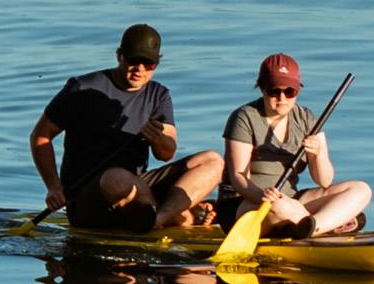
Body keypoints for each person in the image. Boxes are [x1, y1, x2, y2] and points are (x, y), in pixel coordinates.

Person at [31, 24, 232, 232]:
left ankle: (159, 219)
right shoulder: (81, 88)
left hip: (137, 186)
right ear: (119, 55)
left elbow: (166, 154)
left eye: (149, 64)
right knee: (117, 177)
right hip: (88, 196)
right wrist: (53, 187)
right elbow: (41, 135)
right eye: (133, 61)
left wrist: (157, 138)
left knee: (213, 161)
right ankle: (180, 215)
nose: (140, 69)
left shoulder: (158, 95)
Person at [222, 51, 373, 239]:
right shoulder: (244, 117)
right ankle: (327, 223)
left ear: (297, 90)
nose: (282, 98)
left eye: (289, 91)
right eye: (274, 91)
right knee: (282, 206)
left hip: (291, 201)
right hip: (248, 203)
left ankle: (312, 227)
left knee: (361, 189)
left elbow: (324, 181)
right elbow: (238, 178)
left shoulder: (307, 119)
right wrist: (265, 198)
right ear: (261, 88)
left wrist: (318, 154)